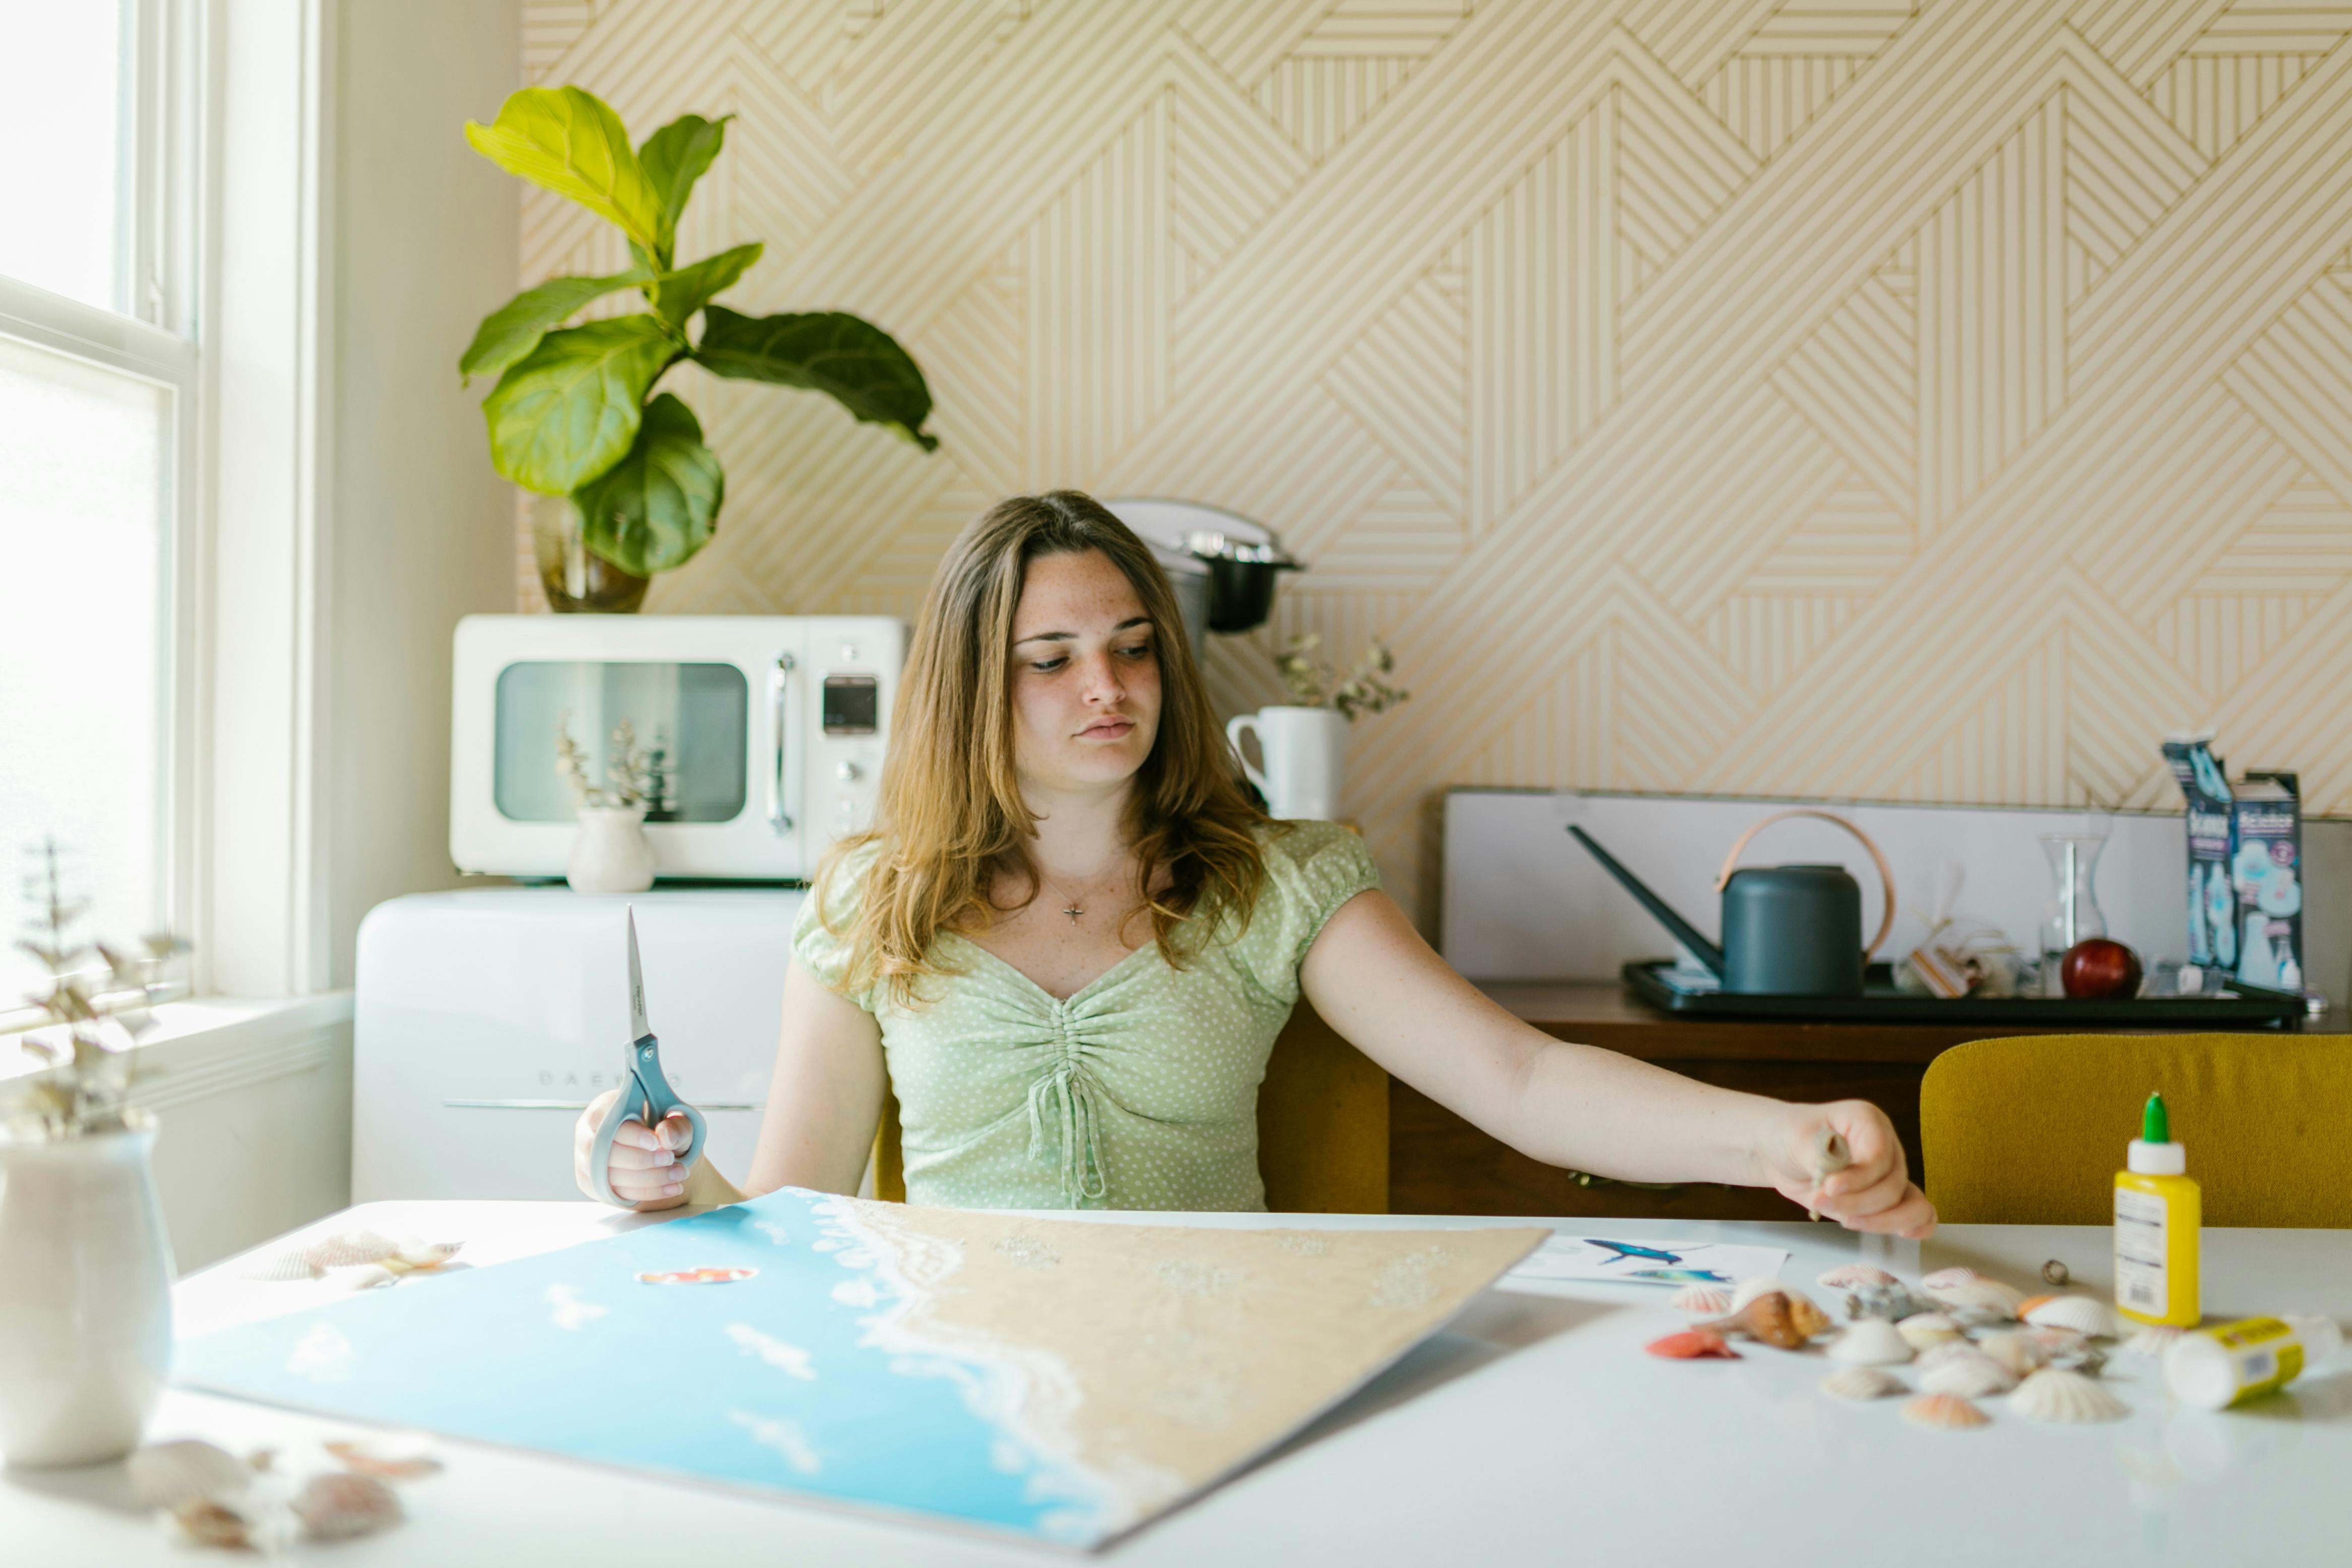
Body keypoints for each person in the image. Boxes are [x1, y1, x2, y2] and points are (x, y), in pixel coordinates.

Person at [573, 491, 1935, 1238]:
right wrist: (659, 1176)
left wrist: (1779, 1138)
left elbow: (1521, 1079)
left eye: (1130, 645)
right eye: (1049, 660)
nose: (1103, 685)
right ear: (969, 690)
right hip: (950, 1376)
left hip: (1217, 1370)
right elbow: (793, 1214)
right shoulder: (872, 905)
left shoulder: (1278, 882)